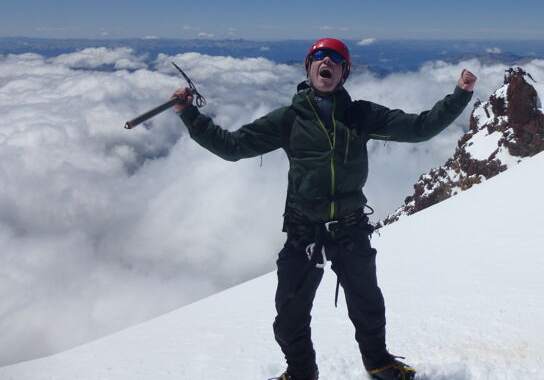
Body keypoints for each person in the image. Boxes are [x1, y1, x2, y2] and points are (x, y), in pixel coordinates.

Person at [171, 38, 477, 380]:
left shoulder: (360, 116)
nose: (326, 62)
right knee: (289, 316)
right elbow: (231, 146)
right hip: (304, 229)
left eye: (335, 59)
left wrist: (460, 94)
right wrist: (189, 114)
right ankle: (301, 373)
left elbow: (420, 129)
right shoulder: (289, 120)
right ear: (309, 67)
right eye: (319, 57)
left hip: (350, 226)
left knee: (368, 306)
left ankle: (378, 363)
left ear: (343, 73)